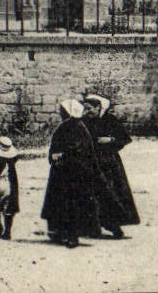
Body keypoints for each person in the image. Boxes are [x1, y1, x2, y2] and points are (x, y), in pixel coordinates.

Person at [41, 98, 99, 249]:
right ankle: (60, 232)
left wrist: (61, 157)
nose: (60, 113)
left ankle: (72, 236)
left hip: (74, 174)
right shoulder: (67, 127)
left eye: (62, 110)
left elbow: (79, 151)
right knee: (61, 203)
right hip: (63, 172)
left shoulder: (77, 128)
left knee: (71, 204)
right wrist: (54, 156)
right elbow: (56, 146)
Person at [83, 94, 139, 237]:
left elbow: (125, 139)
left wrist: (110, 140)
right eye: (85, 108)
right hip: (91, 162)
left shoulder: (110, 120)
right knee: (90, 195)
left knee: (111, 194)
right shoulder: (84, 122)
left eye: (90, 108)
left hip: (109, 164)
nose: (87, 111)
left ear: (98, 107)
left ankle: (115, 227)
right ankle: (92, 227)